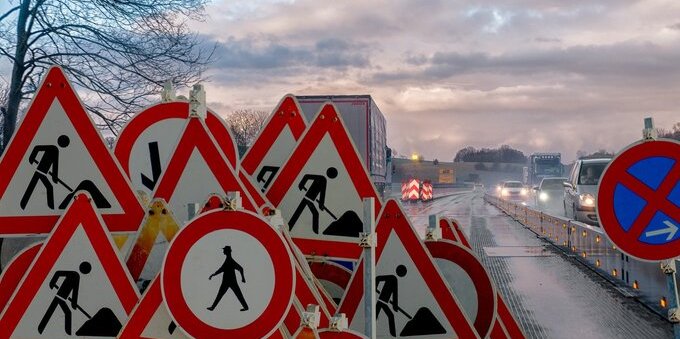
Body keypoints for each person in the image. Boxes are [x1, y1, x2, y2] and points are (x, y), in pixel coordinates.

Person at [38, 261, 91, 335]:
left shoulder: (76, 276)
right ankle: (68, 333)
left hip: (62, 298)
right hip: (60, 297)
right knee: (65, 313)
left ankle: (40, 328)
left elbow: (75, 292)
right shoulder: (74, 275)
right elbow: (58, 273)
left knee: (52, 311)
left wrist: (73, 304)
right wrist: (52, 282)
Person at [21, 135, 70, 210]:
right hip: (40, 171)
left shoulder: (55, 150)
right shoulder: (53, 148)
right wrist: (31, 158)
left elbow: (55, 165)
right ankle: (51, 208)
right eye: (66, 144)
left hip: (42, 172)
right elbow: (37, 148)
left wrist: (54, 177)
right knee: (48, 187)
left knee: (32, 187)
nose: (66, 146)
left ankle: (22, 205)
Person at [289, 167, 338, 234]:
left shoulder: (322, 179)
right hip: (308, 199)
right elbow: (322, 194)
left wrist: (321, 205)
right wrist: (301, 185)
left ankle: (289, 227)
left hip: (308, 199)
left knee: (299, 213)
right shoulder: (323, 179)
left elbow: (322, 194)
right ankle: (315, 233)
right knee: (314, 214)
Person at [207, 246, 248, 311]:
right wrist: (213, 274)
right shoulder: (228, 260)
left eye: (224, 250)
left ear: (227, 251)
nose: (223, 251)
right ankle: (212, 307)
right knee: (222, 294)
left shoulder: (230, 260)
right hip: (227, 281)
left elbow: (241, 268)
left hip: (229, 281)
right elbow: (221, 269)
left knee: (223, 294)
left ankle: (212, 307)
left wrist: (243, 278)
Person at [376, 265, 407, 337]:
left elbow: (394, 294)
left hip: (383, 302)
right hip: (381, 301)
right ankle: (393, 335)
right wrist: (375, 287)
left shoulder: (393, 279)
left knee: (387, 316)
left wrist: (394, 306)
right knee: (390, 316)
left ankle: (393, 335)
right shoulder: (392, 278)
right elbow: (377, 278)